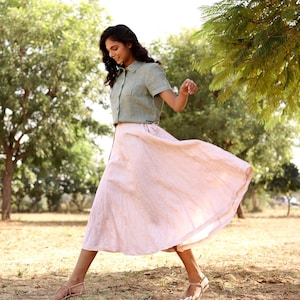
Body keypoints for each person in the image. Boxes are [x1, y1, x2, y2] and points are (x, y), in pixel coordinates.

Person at [50, 24, 253, 300]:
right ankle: (76, 281)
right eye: (108, 51)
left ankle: (196, 278)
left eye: (115, 48)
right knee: (102, 208)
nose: (112, 55)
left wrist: (184, 90)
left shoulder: (150, 71)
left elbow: (176, 106)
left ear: (129, 43)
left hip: (145, 146)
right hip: (122, 148)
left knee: (163, 213)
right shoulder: (118, 77)